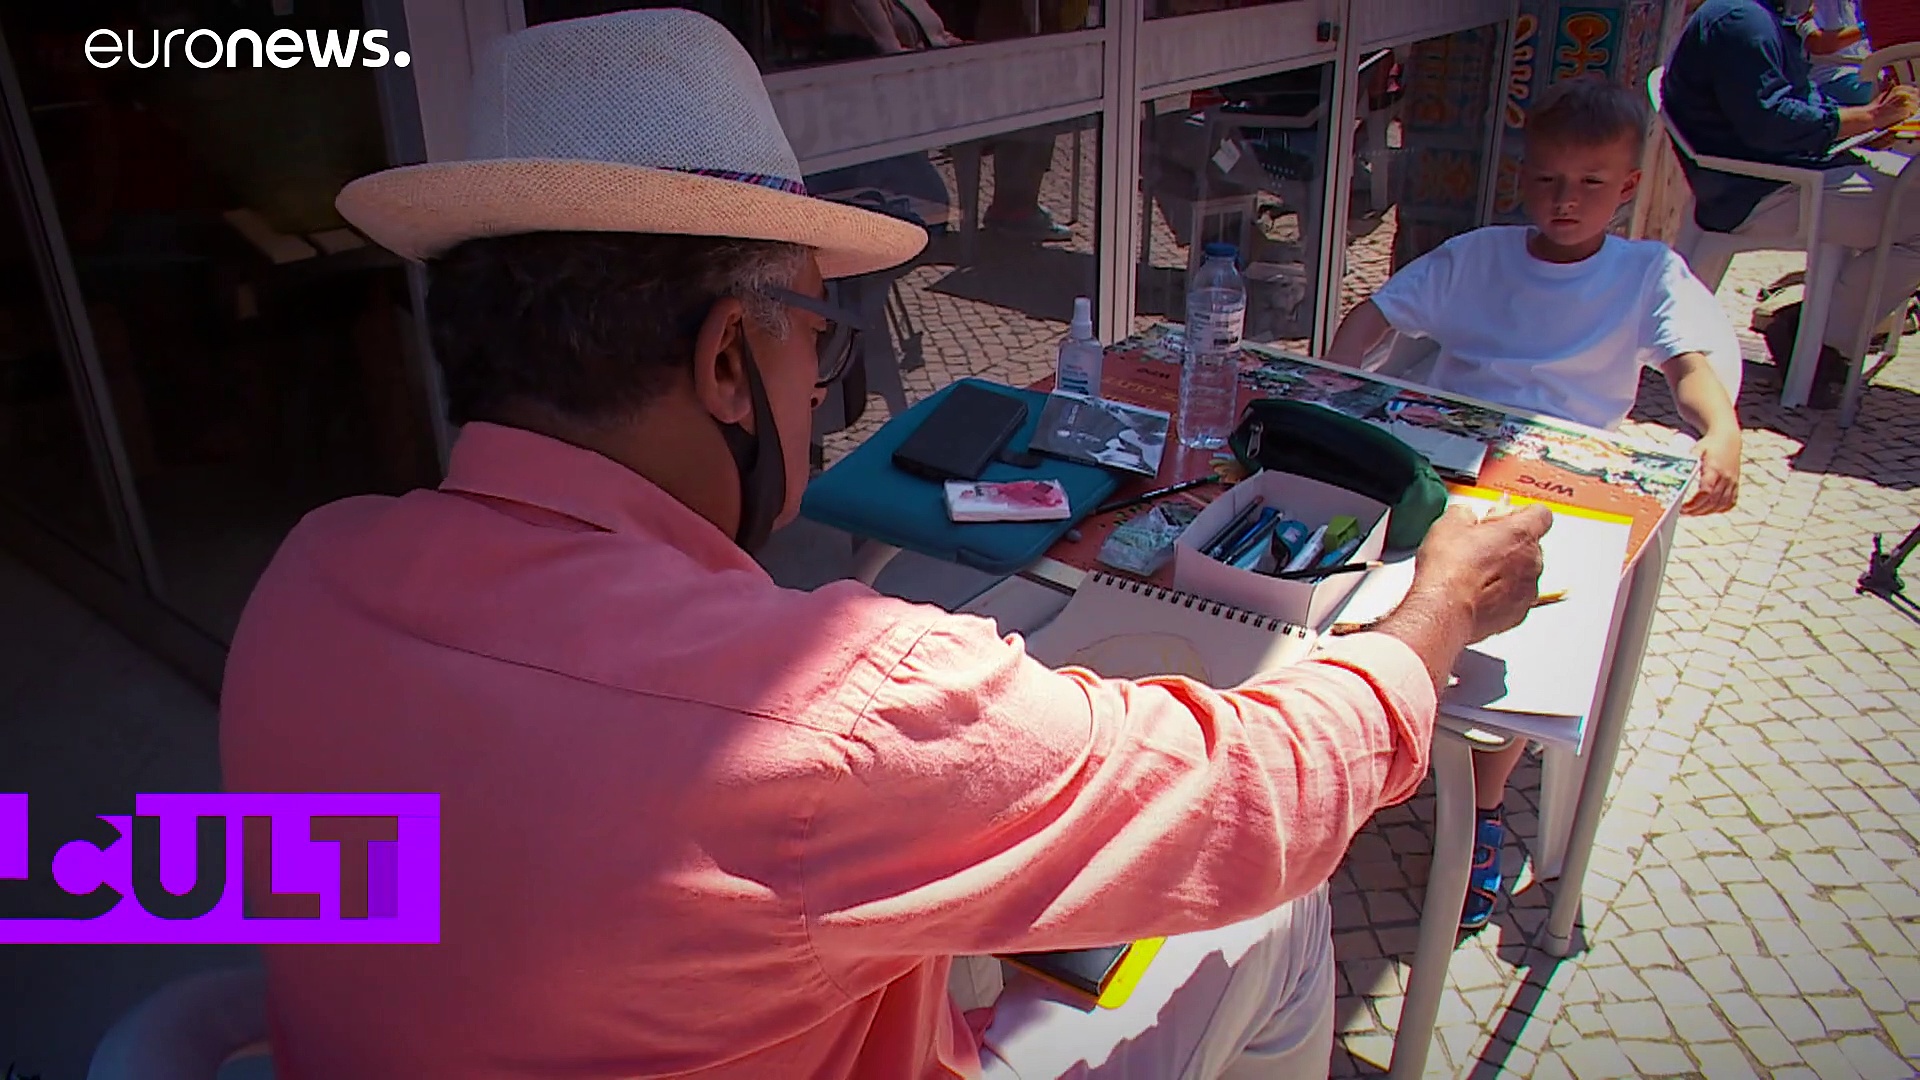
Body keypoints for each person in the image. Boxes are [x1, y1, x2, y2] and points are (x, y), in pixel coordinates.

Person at [220, 10, 1554, 1078]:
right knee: (1275, 910)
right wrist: (1434, 611)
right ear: (729, 361)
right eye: (823, 341)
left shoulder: (307, 580)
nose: (822, 390)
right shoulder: (840, 712)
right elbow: (1264, 802)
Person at [1324, 75, 1744, 931]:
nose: (1566, 199)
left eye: (1591, 182)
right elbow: (1377, 315)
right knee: (1354, 588)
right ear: (1524, 174)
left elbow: (1689, 365)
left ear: (1628, 187)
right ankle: (1357, 743)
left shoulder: (1644, 274)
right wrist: (1336, 381)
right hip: (1450, 464)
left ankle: (1482, 808)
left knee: (1515, 638)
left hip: (1565, 489)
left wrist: (1722, 430)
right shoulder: (1480, 256)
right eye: (1549, 178)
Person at [1662, 0, 1920, 407]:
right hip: (1763, 192)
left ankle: (1820, 333)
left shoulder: (1758, 17)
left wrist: (1862, 127)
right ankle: (1816, 337)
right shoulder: (1744, 22)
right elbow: (1772, 124)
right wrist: (1869, 118)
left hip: (1778, 178)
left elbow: (1796, 104)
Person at [1798, 0, 1878, 105]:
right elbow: (1817, 43)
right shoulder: (1803, 4)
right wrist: (1871, 27)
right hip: (1830, 77)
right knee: (1882, 92)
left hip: (1869, 69)